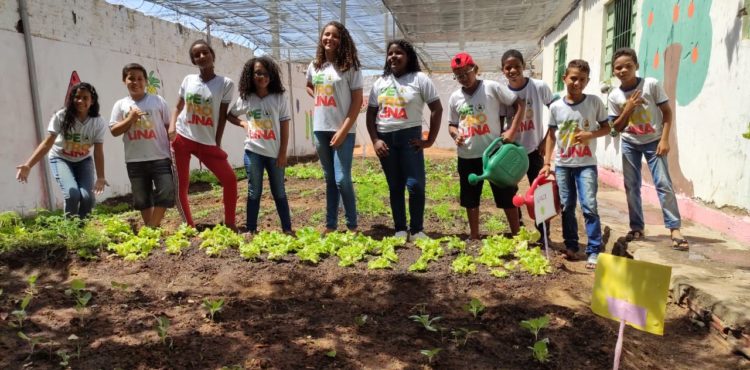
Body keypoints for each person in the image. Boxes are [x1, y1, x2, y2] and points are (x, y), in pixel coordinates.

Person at [608, 47, 688, 251]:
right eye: (618, 67)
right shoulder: (614, 96)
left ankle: (674, 229)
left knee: (663, 184)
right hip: (630, 143)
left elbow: (667, 113)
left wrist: (664, 140)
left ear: (636, 66)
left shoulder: (650, 85)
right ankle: (636, 227)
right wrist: (627, 108)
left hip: (654, 141)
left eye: (628, 66)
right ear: (613, 71)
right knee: (631, 185)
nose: (623, 70)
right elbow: (615, 128)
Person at [366, 39, 442, 241]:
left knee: (416, 185)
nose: (393, 57)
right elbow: (370, 115)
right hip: (385, 139)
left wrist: (429, 140)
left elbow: (437, 109)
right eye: (390, 53)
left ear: (408, 57)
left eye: (398, 53)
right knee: (395, 185)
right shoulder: (379, 83)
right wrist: (375, 140)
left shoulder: (420, 79)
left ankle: (417, 230)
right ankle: (400, 229)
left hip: (410, 137)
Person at [447, 52, 525, 240]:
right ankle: (474, 236)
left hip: (494, 154)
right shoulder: (454, 97)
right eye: (458, 76)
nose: (463, 78)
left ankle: (516, 233)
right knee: (470, 197)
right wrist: (455, 135)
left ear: (476, 69)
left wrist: (512, 131)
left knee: (506, 193)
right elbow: (452, 125)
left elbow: (519, 104)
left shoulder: (492, 87)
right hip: (467, 156)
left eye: (466, 73)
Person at [540, 60, 609, 269]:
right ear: (564, 79)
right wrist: (547, 162)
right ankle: (571, 245)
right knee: (567, 206)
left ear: (587, 82)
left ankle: (594, 249)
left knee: (589, 205)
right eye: (573, 78)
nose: (576, 83)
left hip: (586, 164)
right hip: (563, 165)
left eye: (582, 79)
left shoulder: (594, 103)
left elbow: (607, 127)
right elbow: (551, 135)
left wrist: (591, 134)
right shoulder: (556, 107)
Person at [168, 39, 237, 230]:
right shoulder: (188, 80)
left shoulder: (226, 84)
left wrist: (217, 142)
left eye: (205, 52)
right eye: (196, 55)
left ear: (212, 55)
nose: (201, 56)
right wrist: (172, 127)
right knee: (181, 185)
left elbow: (222, 116)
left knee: (229, 180)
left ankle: (230, 224)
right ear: (193, 60)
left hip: (206, 142)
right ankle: (189, 226)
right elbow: (177, 107)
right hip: (182, 137)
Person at [16, 82, 108, 218]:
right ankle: (69, 232)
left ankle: (83, 233)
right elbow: (47, 143)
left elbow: (98, 151)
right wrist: (28, 165)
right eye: (77, 97)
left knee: (88, 198)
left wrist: (101, 177)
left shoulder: (98, 122)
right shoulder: (61, 116)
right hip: (61, 158)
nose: (80, 101)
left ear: (92, 101)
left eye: (85, 98)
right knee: (72, 195)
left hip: (83, 160)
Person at [306, 21, 363, 233]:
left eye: (335, 36)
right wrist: (319, 97)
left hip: (343, 130)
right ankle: (330, 225)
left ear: (342, 40)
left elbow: (357, 101)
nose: (329, 39)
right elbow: (309, 85)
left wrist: (343, 131)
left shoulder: (350, 66)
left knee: (342, 179)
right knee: (330, 179)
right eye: (326, 34)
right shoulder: (315, 65)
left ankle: (352, 225)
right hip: (320, 128)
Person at [228, 56, 292, 234]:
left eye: (265, 73)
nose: (262, 77)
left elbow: (285, 125)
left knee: (279, 191)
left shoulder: (279, 98)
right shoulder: (246, 98)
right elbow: (230, 115)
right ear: (251, 75)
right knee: (254, 191)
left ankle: (287, 229)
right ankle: (251, 230)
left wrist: (282, 153)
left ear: (271, 76)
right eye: (257, 73)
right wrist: (243, 123)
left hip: (274, 153)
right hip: (253, 151)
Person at [110, 63, 174, 228]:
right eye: (131, 78)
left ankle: (151, 227)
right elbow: (114, 131)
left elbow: (169, 127)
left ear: (146, 81)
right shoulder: (120, 105)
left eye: (140, 78)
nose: (135, 82)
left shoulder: (158, 101)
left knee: (166, 192)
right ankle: (152, 230)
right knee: (142, 198)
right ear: (124, 81)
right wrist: (130, 119)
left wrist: (174, 149)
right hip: (134, 160)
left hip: (160, 156)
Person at [501, 49, 554, 240]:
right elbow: (500, 120)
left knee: (541, 192)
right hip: (511, 152)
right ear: (503, 70)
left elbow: (557, 112)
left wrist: (546, 139)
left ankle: (544, 235)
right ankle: (519, 228)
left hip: (534, 150)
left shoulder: (539, 87)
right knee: (510, 191)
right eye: (508, 67)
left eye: (517, 66)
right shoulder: (502, 92)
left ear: (524, 67)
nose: (513, 70)